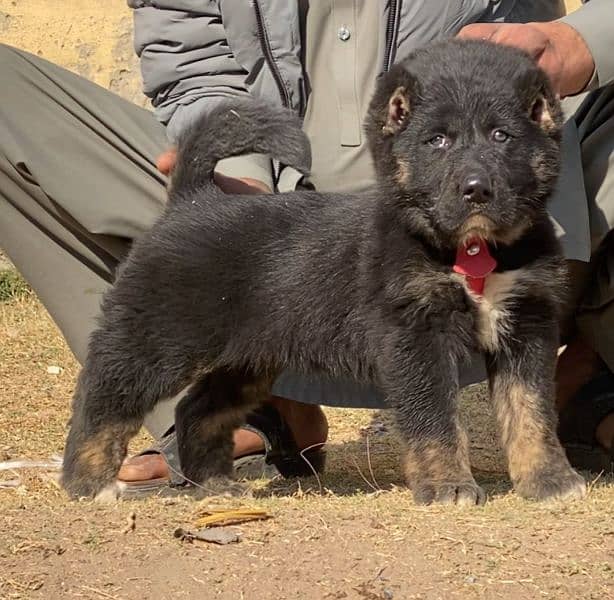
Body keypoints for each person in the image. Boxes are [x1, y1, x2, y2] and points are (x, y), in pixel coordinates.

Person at [0, 1, 612, 495]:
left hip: (455, 205)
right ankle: (122, 451)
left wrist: (576, 42)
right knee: (159, 344)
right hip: (272, 214)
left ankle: (589, 384)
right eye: (447, 140)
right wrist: (238, 176)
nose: (475, 168)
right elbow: (187, 51)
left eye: (503, 136)